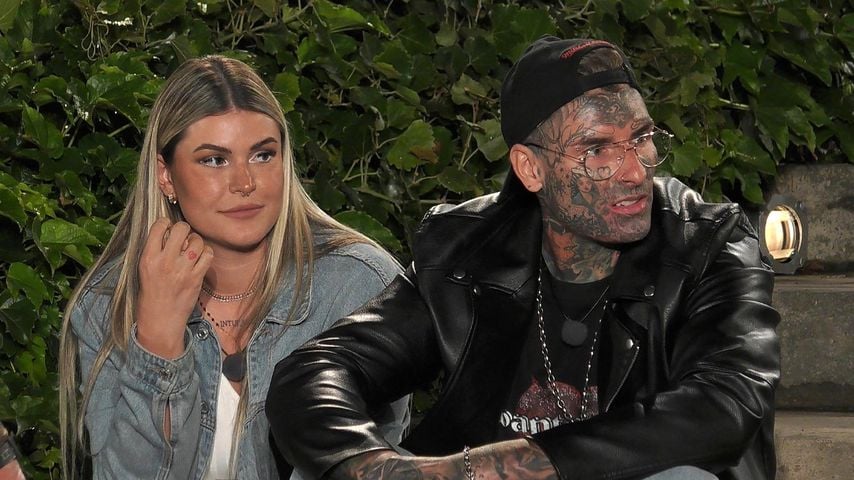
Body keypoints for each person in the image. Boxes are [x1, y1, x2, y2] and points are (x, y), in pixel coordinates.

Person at [266, 36, 780, 480]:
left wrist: (497, 466)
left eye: (641, 139)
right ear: (530, 169)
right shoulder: (467, 250)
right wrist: (377, 467)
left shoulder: (706, 244)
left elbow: (725, 406)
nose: (634, 171)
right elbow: (319, 369)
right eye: (597, 150)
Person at [58, 55, 409, 480]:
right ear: (165, 176)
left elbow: (372, 469)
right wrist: (157, 337)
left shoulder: (360, 286)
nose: (244, 183)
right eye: (214, 160)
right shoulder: (108, 303)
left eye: (263, 155)